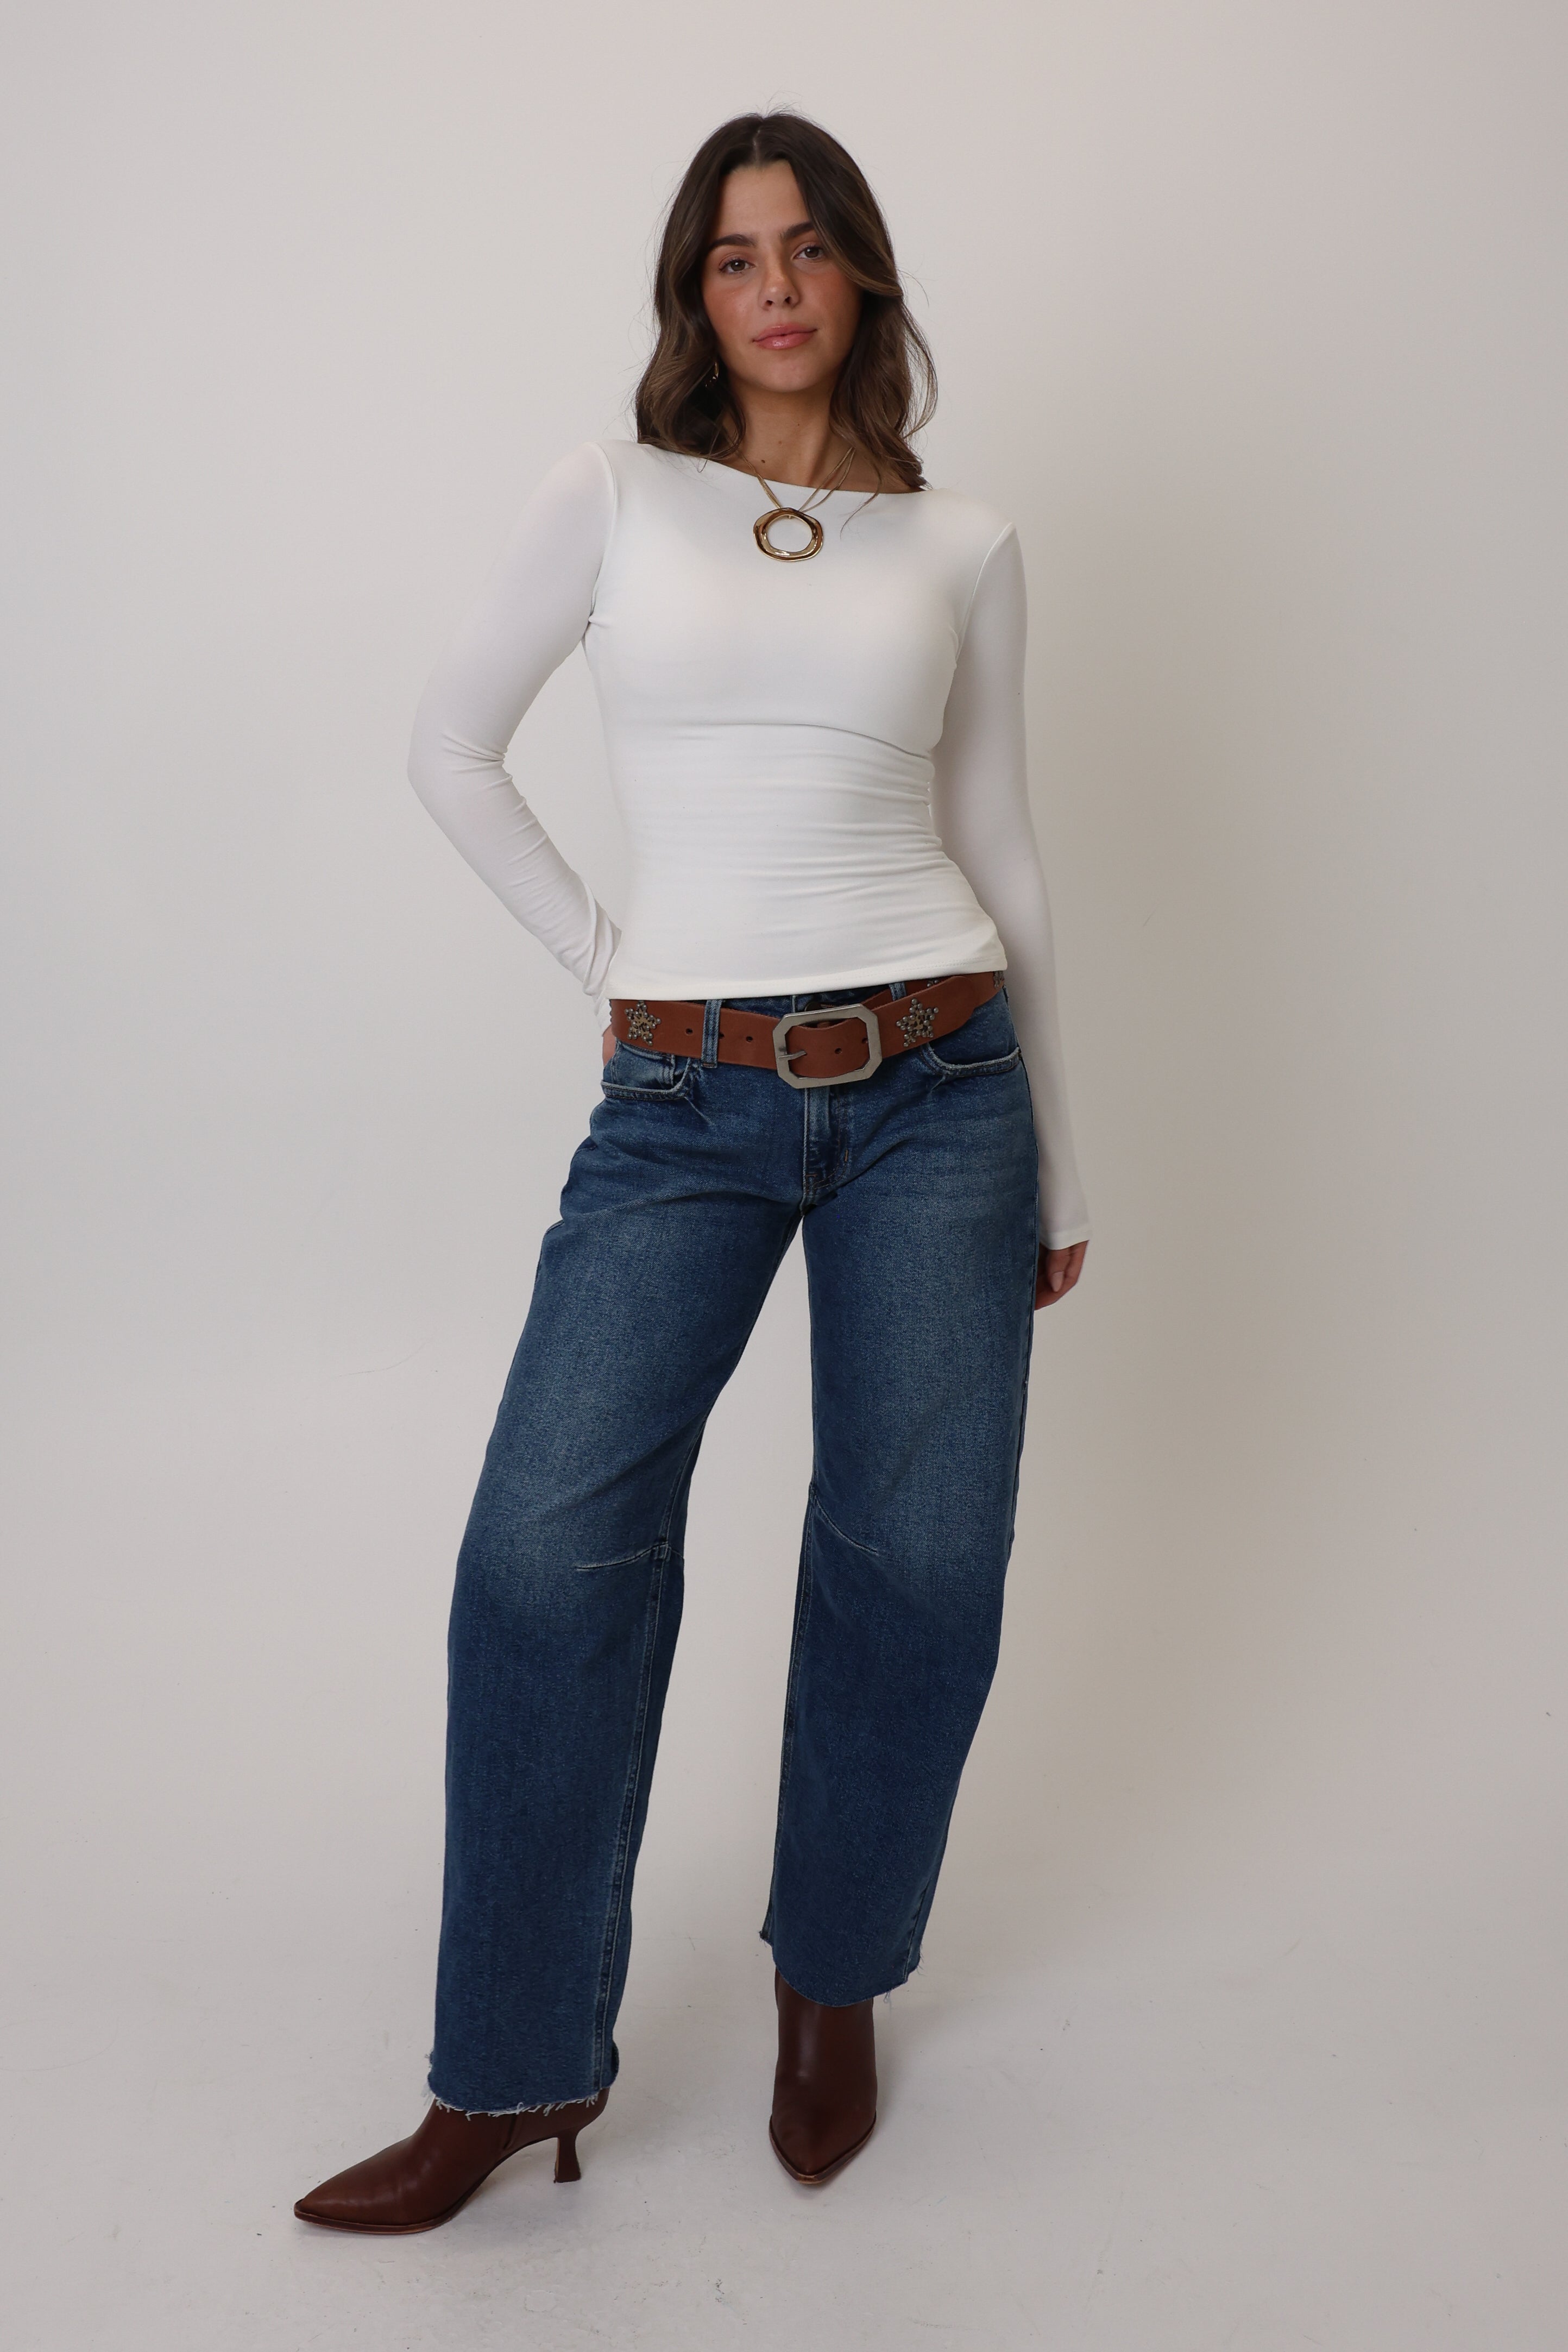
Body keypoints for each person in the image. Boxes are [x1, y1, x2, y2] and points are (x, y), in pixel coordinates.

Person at [294, 107, 1090, 2236]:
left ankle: (832, 1980)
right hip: (684, 1098)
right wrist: (611, 967)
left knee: (919, 1562)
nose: (774, 286)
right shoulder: (614, 495)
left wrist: (1064, 1163)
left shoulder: (963, 543)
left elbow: (1001, 847)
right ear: (694, 293)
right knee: (542, 1554)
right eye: (734, 256)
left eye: (808, 246)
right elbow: (447, 746)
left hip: (944, 1084)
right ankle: (511, 2070)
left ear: (861, 277)